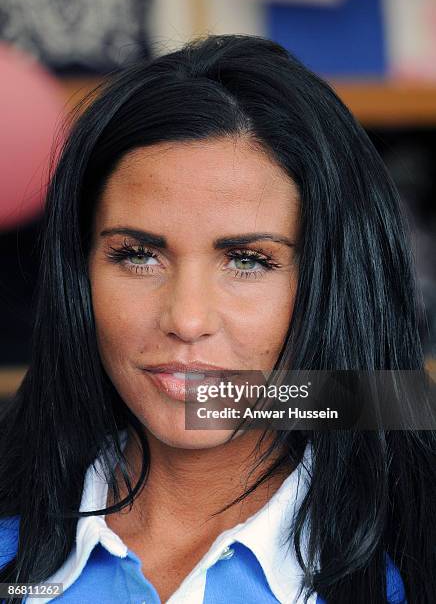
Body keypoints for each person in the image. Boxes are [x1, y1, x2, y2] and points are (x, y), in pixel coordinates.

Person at [0, 33, 434, 604]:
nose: (186, 318)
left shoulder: (410, 560)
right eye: (137, 255)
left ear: (332, 281)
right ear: (78, 273)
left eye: (248, 261)